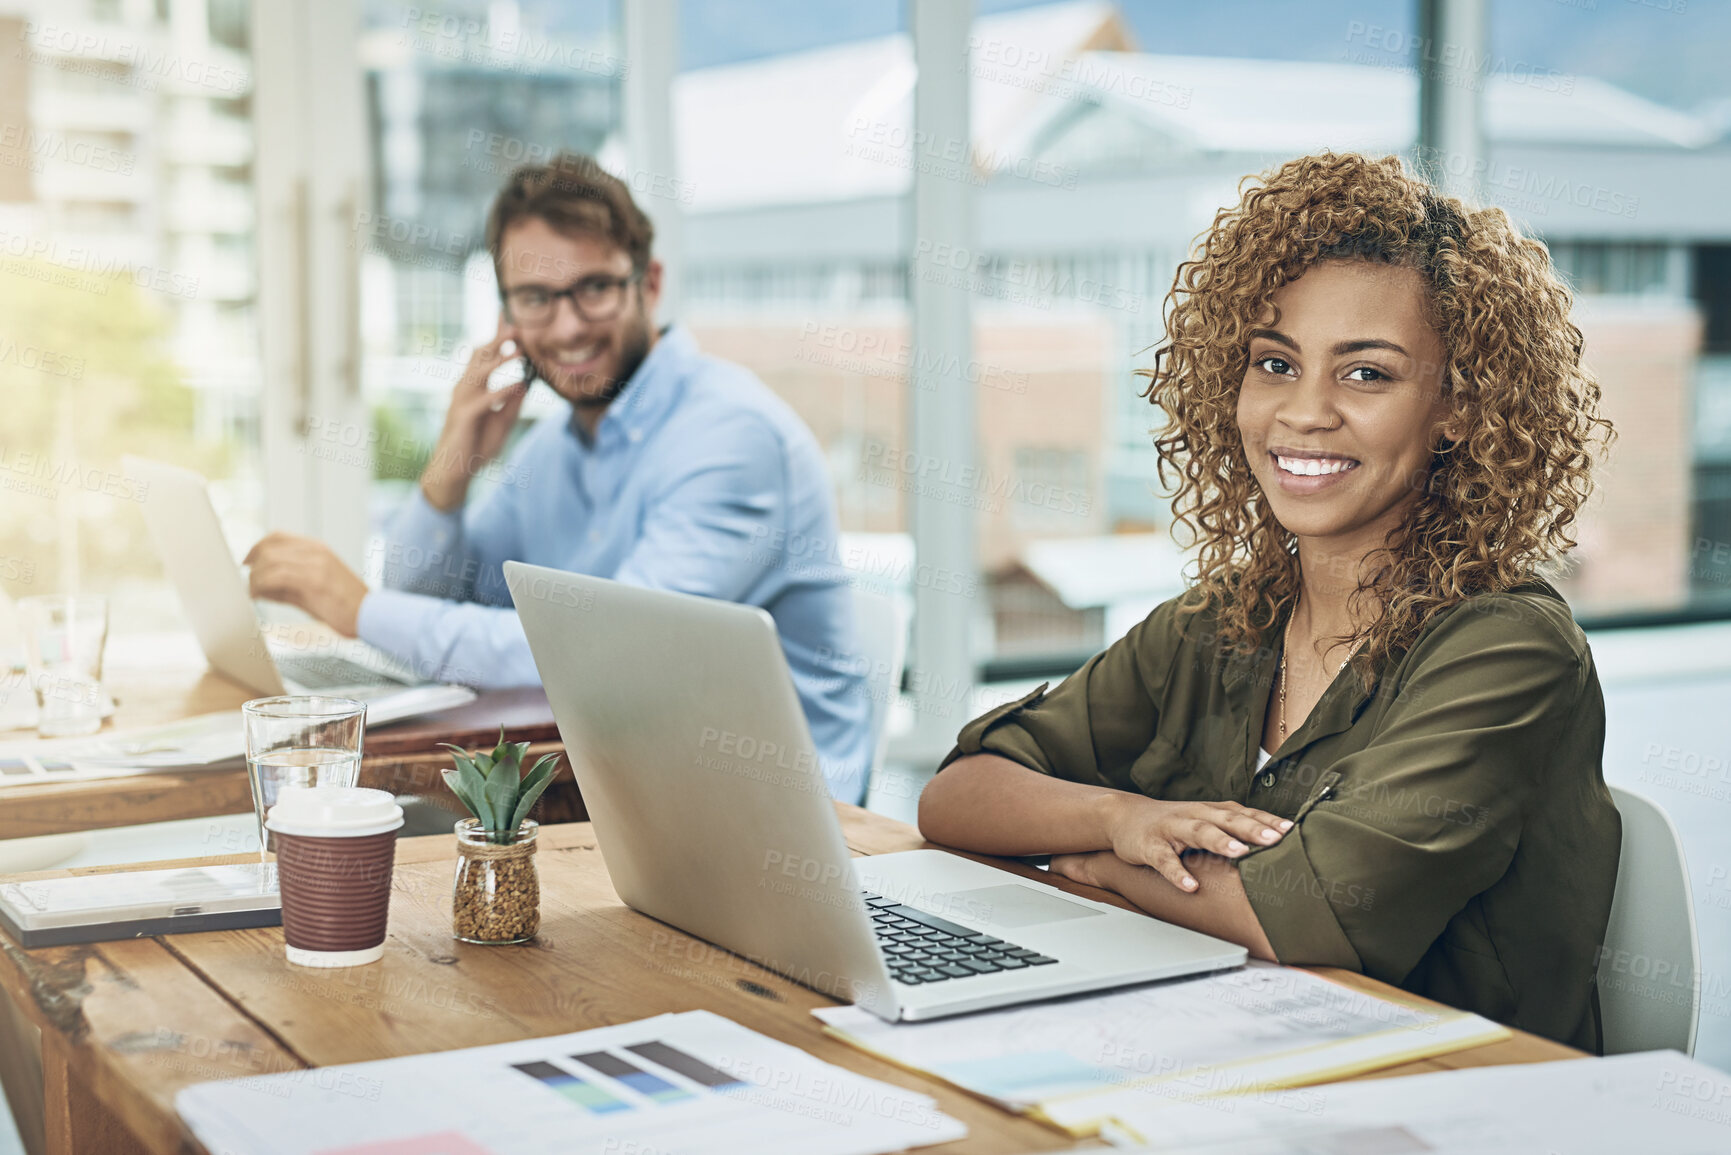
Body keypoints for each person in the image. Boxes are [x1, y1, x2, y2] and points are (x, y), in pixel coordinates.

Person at [918, 152, 1620, 1051]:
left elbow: (1304, 916)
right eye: (1274, 363)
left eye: (1365, 374)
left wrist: (1100, 865)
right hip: (1218, 1061)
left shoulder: (1507, 649)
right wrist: (1118, 820)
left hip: (1448, 1102)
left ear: (1456, 406)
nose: (1304, 412)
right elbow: (959, 795)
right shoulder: (1226, 620)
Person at [246, 153, 874, 802]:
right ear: (507, 318)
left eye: (593, 288)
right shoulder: (555, 445)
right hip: (626, 796)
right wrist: (449, 472)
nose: (568, 325)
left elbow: (601, 662)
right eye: (536, 298)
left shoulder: (731, 439)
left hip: (774, 829)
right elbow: (443, 602)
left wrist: (359, 610)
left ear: (648, 284)